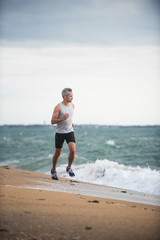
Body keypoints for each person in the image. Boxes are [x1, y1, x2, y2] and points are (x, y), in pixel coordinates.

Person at [50, 88, 76, 180]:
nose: (72, 98)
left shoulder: (72, 105)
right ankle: (53, 170)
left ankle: (69, 168)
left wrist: (71, 122)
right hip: (60, 133)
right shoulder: (58, 107)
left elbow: (70, 116)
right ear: (65, 96)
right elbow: (52, 121)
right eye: (70, 96)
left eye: (72, 96)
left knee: (73, 150)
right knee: (58, 153)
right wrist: (63, 119)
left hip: (69, 131)